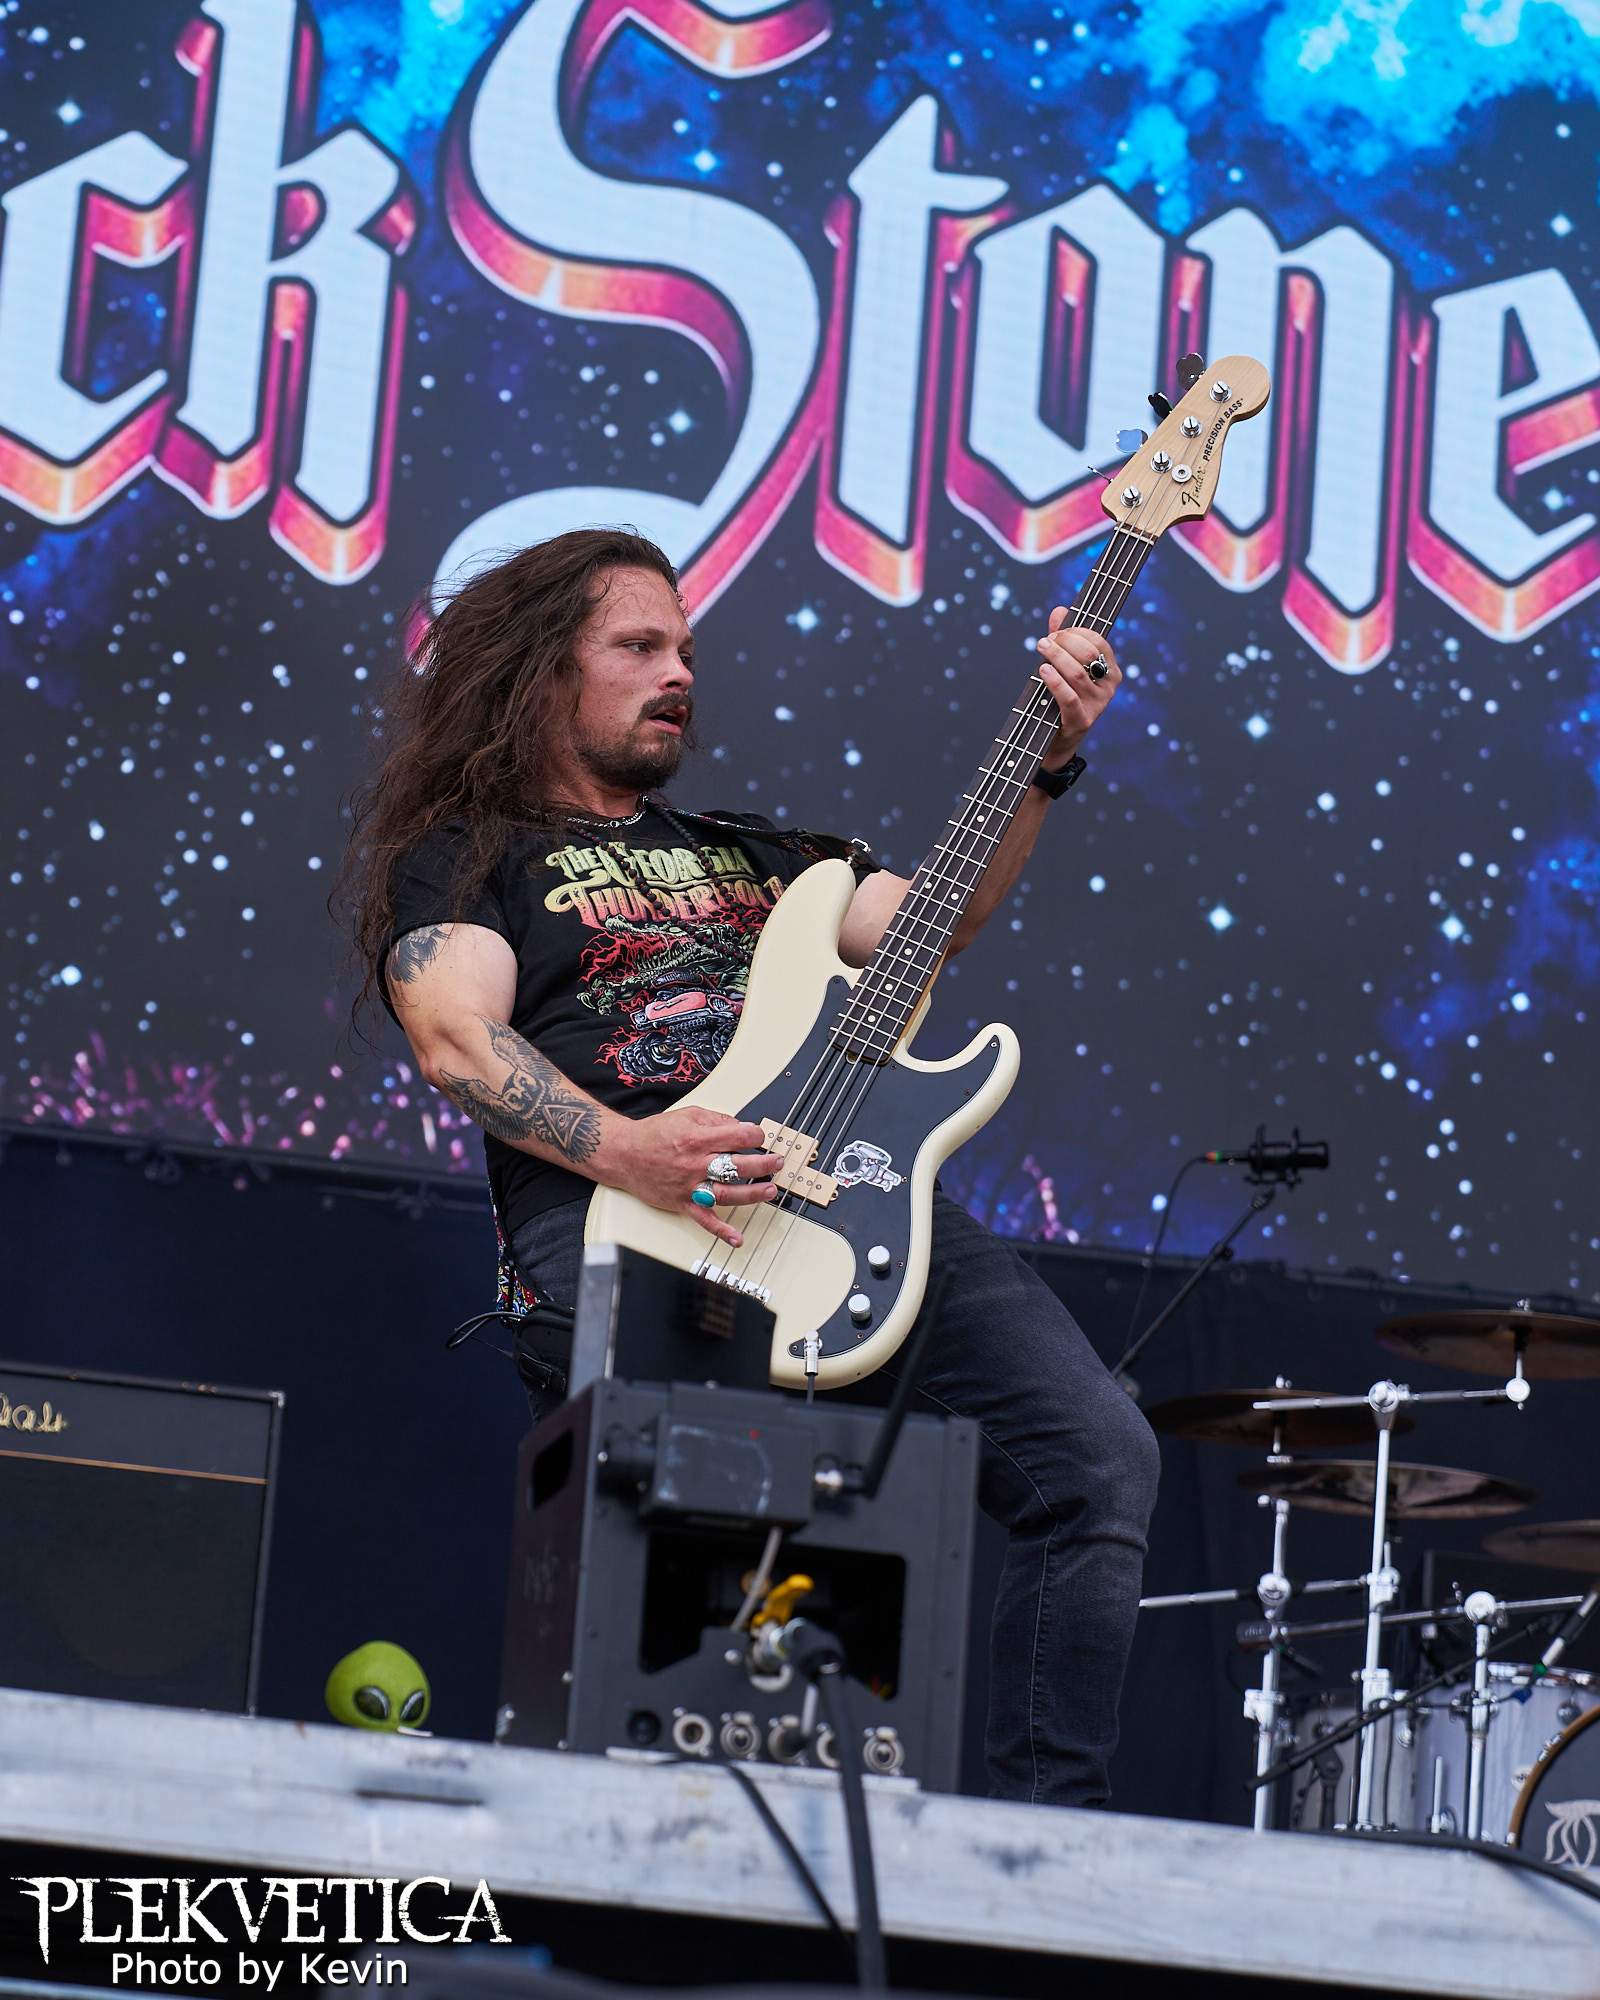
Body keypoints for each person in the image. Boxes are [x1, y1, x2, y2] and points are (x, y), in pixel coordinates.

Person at [343, 527, 1159, 1809]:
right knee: (700, 1549)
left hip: (851, 1196)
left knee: (1099, 1455)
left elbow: (939, 919)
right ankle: (641, 1831)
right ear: (541, 672)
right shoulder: (475, 854)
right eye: (639, 645)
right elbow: (456, 1037)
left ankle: (1049, 1837)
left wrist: (1047, 758)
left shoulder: (762, 856)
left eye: (685, 649)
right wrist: (633, 1150)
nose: (679, 671)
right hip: (633, 1214)